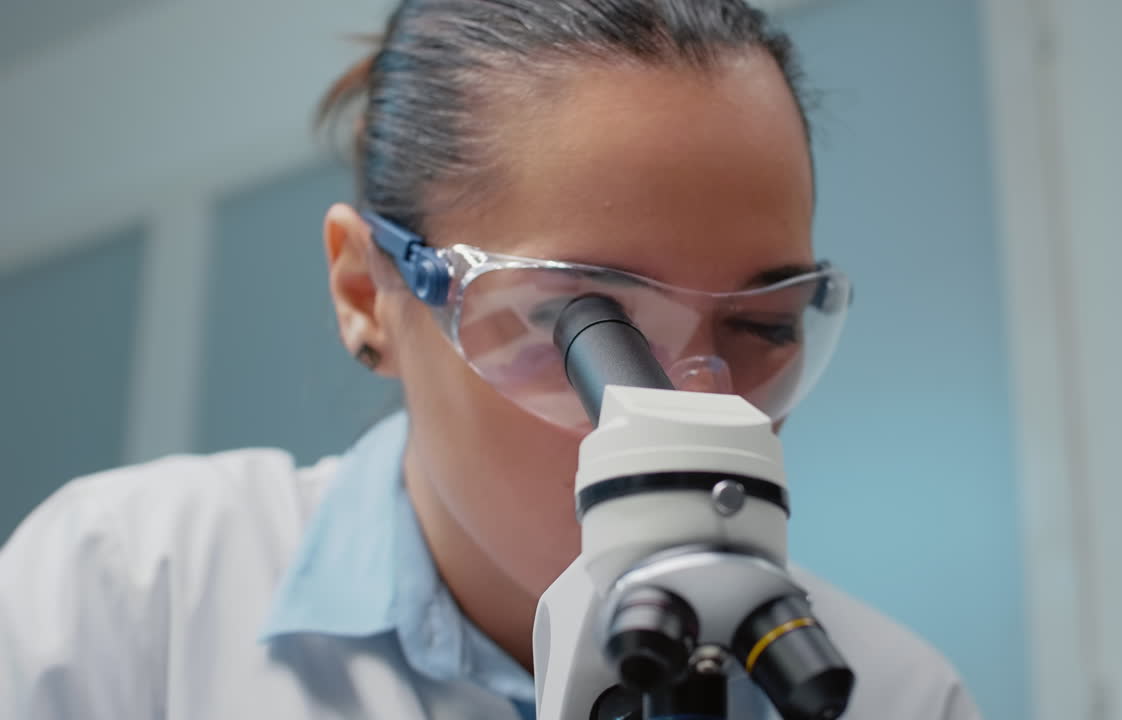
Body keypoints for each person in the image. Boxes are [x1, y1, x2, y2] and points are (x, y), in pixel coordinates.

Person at [0, 1, 980, 718]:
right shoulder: (128, 590)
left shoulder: (891, 694)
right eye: (583, 326)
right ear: (365, 293)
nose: (696, 410)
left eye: (762, 329)